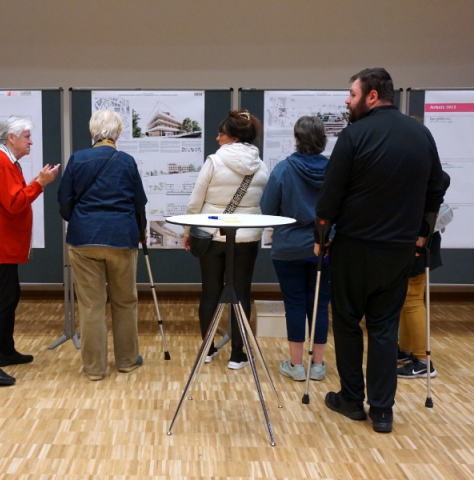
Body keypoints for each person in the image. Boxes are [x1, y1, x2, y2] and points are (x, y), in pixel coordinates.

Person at [315, 68, 445, 433]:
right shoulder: (421, 134)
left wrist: (321, 235)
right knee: (385, 327)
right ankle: (383, 411)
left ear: (372, 96)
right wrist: (422, 233)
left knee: (347, 322)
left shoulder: (353, 135)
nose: (347, 100)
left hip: (355, 247)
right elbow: (438, 186)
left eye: (352, 94)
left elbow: (330, 194)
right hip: (399, 249)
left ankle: (351, 399)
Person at [57, 109, 147, 381]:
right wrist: (140, 231)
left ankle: (95, 368)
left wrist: (82, 220)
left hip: (84, 239)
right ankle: (127, 361)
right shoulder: (127, 161)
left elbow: (64, 202)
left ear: (91, 132)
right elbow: (139, 204)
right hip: (121, 238)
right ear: (118, 133)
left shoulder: (77, 159)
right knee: (125, 302)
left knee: (91, 306)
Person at [0, 116, 60, 386]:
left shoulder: (5, 162)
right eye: (26, 137)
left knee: (9, 296)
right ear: (11, 138)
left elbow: (14, 197)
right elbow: (14, 203)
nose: (30, 142)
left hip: (3, 242)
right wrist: (40, 183)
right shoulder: (0, 162)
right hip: (0, 243)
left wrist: (36, 183)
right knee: (1, 300)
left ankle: (4, 350)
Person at [183, 110, 269, 370]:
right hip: (246, 238)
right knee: (241, 293)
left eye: (221, 134)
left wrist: (188, 231)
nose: (217, 138)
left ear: (233, 137)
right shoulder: (261, 166)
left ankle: (208, 350)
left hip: (212, 236)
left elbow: (195, 201)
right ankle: (238, 355)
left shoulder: (214, 162)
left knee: (210, 292)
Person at [260, 116, 330, 382]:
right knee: (320, 304)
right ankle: (318, 365)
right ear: (322, 140)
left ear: (297, 139)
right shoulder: (334, 170)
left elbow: (267, 209)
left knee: (295, 304)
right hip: (324, 247)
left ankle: (296, 365)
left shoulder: (283, 169)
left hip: (288, 248)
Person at [398, 172, 450, 378]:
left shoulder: (424, 171)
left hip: (416, 241)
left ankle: (422, 361)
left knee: (412, 299)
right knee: (408, 298)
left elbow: (442, 179)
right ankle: (406, 350)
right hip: (415, 238)